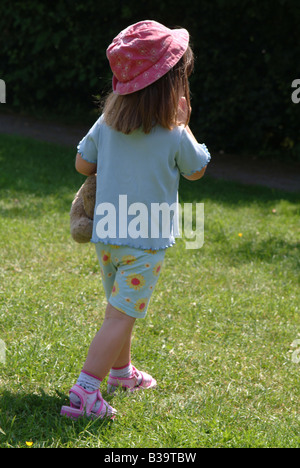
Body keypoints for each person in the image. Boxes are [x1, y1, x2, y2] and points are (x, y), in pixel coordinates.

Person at [60, 20, 211, 420]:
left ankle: (122, 374)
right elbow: (196, 169)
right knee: (121, 314)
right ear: (172, 87)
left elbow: (81, 164)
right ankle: (85, 392)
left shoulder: (106, 124)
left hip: (107, 237)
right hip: (145, 245)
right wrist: (186, 120)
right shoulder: (175, 132)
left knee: (119, 308)